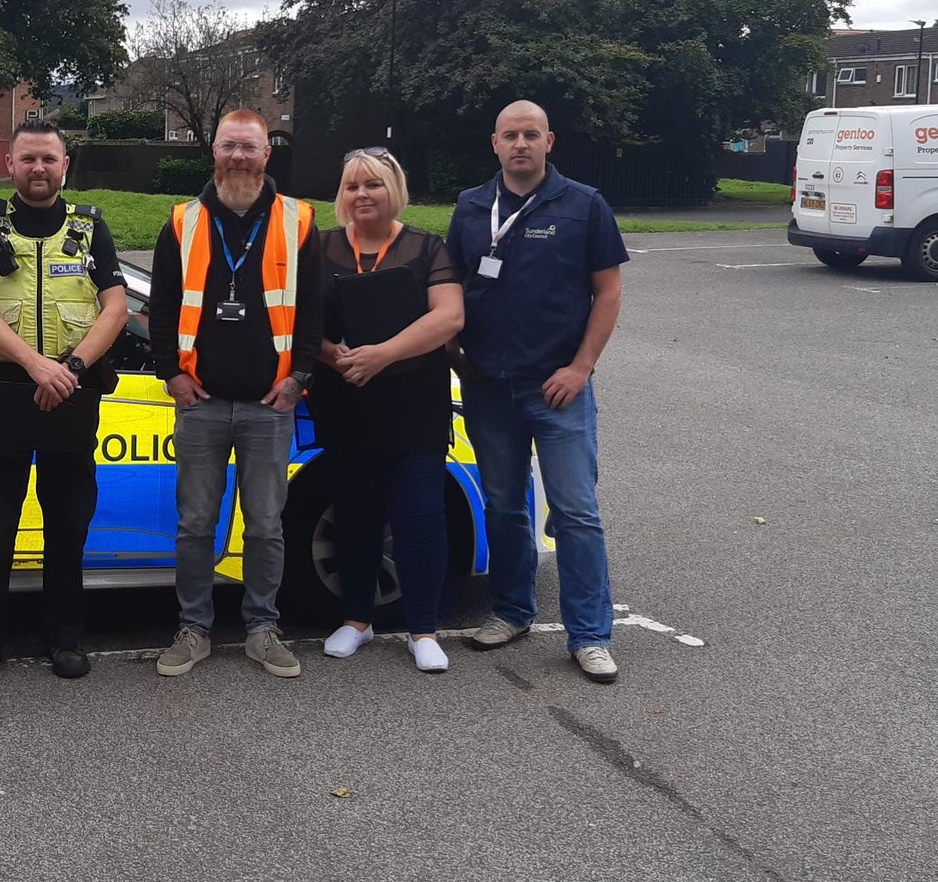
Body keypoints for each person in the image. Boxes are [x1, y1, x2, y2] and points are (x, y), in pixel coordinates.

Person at [444, 100, 628, 684]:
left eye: (530, 134)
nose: (520, 144)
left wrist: (581, 368)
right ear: (493, 143)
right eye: (509, 136)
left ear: (550, 140)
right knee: (503, 506)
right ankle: (511, 611)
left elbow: (609, 292)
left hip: (559, 390)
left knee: (576, 511)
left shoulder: (584, 206)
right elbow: (448, 289)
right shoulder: (472, 208)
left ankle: (590, 635)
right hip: (488, 388)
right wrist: (456, 357)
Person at [147, 109, 324, 679]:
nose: (239, 157)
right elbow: (162, 307)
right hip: (199, 402)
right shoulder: (183, 222)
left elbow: (315, 311)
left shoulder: (299, 222)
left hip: (268, 404)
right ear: (214, 152)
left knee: (267, 525)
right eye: (229, 147)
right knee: (195, 524)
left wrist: (299, 378)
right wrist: (170, 372)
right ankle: (193, 627)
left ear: (266, 154)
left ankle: (262, 628)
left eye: (249, 147)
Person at [0, 125, 128, 687]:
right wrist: (36, 365)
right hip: (4, 393)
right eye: (28, 158)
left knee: (68, 524)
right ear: (10, 162)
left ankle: (65, 636)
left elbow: (117, 308)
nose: (38, 168)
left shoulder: (90, 227)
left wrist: (70, 368)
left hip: (71, 394)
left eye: (48, 159)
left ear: (64, 165)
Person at [311, 148, 464, 672]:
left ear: (394, 189)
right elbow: (301, 320)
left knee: (420, 520)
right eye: (352, 186)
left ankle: (423, 629)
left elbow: (448, 318)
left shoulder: (426, 248)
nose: (361, 196)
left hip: (413, 408)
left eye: (373, 185)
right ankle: (357, 620)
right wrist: (337, 357)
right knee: (355, 516)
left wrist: (382, 355)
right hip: (346, 403)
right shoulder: (321, 247)